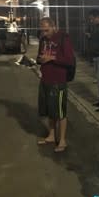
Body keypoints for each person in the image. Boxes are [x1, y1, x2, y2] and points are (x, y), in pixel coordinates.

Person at [36, 17, 74, 152]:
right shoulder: (43, 39)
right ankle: (52, 135)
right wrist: (40, 60)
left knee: (60, 112)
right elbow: (39, 57)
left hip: (58, 81)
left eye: (47, 30)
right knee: (49, 111)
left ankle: (62, 140)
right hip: (45, 79)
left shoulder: (63, 38)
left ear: (54, 26)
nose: (45, 33)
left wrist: (52, 58)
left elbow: (69, 60)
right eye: (43, 31)